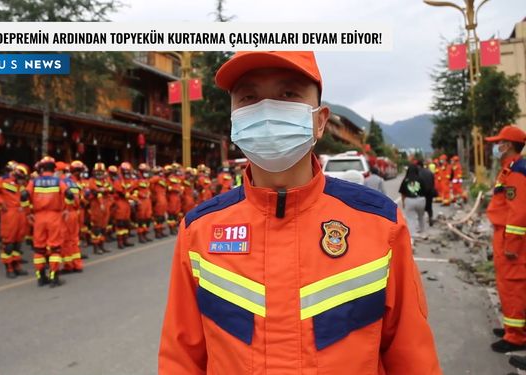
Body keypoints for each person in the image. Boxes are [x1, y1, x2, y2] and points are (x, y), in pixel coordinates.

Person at [158, 51, 441, 374]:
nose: (265, 111)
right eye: (249, 97)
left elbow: (412, 358)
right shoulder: (199, 231)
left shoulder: (381, 225)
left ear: (319, 120)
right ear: (234, 120)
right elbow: (181, 360)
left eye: (288, 94)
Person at [485, 125, 526, 353]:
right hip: (506, 236)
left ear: (508, 145)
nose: (496, 146)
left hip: (512, 240)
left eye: (498, 143)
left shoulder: (517, 172)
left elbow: (519, 213)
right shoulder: (511, 168)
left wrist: (511, 244)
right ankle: (513, 327)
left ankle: (516, 336)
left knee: (513, 287)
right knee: (509, 286)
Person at [23, 156, 71, 287]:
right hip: (54, 216)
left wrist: (28, 213)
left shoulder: (34, 182)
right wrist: (67, 209)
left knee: (39, 249)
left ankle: (41, 277)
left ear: (41, 168)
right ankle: (54, 277)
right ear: (53, 168)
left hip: (38, 218)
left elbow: (23, 196)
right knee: (55, 248)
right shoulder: (58, 181)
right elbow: (70, 194)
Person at [0, 163, 30, 278]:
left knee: (18, 243)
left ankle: (17, 265)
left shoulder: (21, 184)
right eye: (21, 178)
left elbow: (24, 200)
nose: (22, 181)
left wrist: (28, 214)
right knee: (9, 243)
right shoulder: (3, 180)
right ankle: (9, 268)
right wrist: (0, 202)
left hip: (21, 214)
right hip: (9, 214)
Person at [399, 164, 428, 239]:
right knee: (421, 216)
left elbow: (403, 193)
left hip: (409, 200)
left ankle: (413, 233)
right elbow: (425, 191)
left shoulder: (405, 180)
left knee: (410, 218)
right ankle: (423, 231)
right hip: (421, 200)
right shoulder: (420, 179)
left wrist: (403, 203)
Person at [417, 159, 436, 227]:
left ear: (419, 166)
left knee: (421, 209)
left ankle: (421, 223)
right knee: (429, 207)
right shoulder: (429, 172)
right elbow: (433, 182)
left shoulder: (418, 173)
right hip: (430, 192)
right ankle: (430, 217)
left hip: (422, 194)